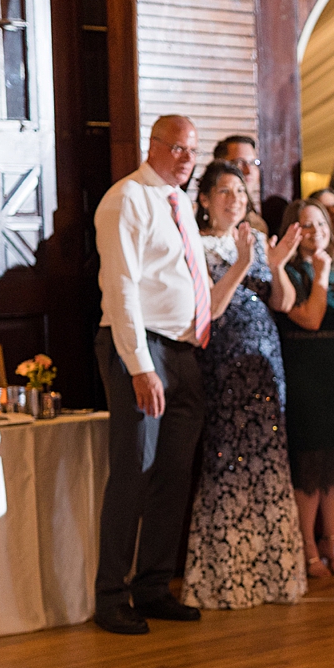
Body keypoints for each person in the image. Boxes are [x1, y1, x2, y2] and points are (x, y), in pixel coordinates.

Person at [91, 115, 212, 635]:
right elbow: (121, 290)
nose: (188, 160)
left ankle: (154, 585)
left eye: (193, 152)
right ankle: (111, 594)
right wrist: (140, 367)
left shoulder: (178, 201)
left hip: (184, 350)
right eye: (180, 149)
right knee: (134, 473)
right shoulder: (127, 198)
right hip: (140, 350)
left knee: (173, 473)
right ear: (154, 145)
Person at [182, 161, 306, 609]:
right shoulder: (195, 244)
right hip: (223, 363)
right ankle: (228, 577)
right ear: (205, 200)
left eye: (240, 191)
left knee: (269, 458)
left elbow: (285, 302)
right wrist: (241, 265)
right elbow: (210, 310)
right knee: (227, 460)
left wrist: (276, 265)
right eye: (224, 191)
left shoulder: (253, 238)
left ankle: (273, 576)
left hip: (265, 362)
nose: (234, 199)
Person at [277, 198, 334, 579]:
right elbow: (311, 319)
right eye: (307, 225)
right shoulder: (288, 271)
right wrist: (320, 273)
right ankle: (308, 546)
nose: (316, 232)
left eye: (321, 225)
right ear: (294, 230)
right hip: (303, 367)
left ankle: (333, 543)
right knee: (310, 460)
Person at [213, 134, 269, 233]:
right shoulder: (206, 218)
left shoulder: (257, 222)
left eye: (253, 163)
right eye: (239, 162)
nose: (248, 171)